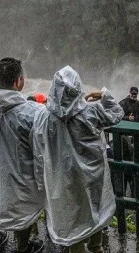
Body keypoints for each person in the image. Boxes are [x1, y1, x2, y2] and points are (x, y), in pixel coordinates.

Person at [32, 66, 124, 253]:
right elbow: (117, 113)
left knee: (72, 215)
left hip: (63, 176)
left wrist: (40, 177)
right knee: (95, 208)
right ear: (78, 88)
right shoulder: (91, 112)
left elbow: (38, 148)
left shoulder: (43, 116)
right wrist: (103, 94)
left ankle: (77, 248)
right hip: (92, 174)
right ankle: (96, 247)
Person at [0, 58, 45, 253]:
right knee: (23, 207)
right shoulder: (30, 112)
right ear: (19, 81)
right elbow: (40, 144)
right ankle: (23, 247)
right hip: (19, 170)